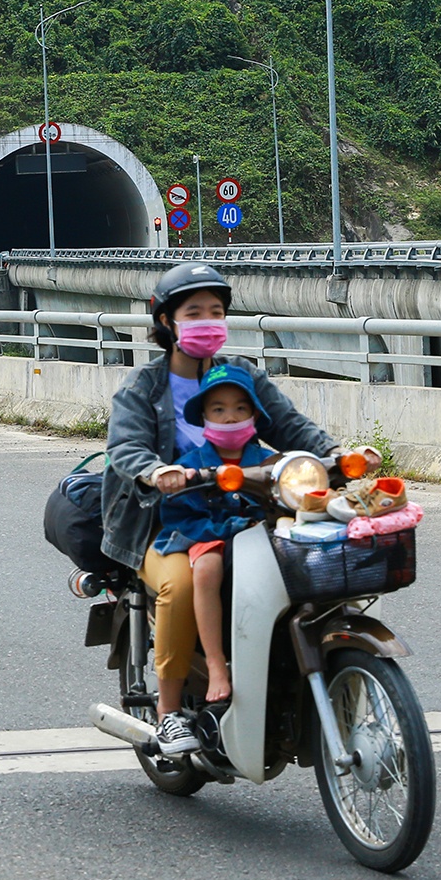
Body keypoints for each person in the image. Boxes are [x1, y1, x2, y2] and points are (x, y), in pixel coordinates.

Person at [100, 261, 341, 759]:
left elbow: (292, 428)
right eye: (194, 311)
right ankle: (169, 714)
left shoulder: (241, 376)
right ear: (166, 321)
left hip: (243, 510)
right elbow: (124, 450)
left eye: (216, 310)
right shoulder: (142, 387)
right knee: (184, 583)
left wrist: (336, 457)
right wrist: (155, 471)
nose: (207, 319)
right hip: (164, 522)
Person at [152, 364, 275, 729]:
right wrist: (229, 528)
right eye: (218, 409)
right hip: (209, 537)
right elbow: (181, 517)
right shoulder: (189, 467)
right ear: (203, 416)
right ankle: (216, 664)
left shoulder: (268, 461)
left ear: (254, 414)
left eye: (240, 408)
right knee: (207, 568)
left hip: (261, 538)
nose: (230, 417)